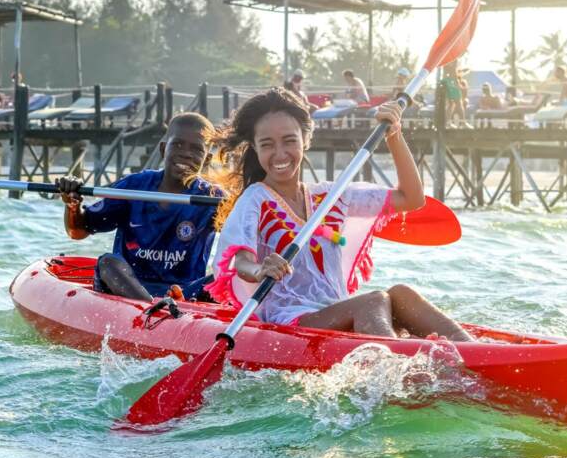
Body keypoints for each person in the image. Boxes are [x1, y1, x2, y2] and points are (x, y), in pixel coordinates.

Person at [206, 88, 473, 341]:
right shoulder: (255, 198)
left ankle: (473, 352)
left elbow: (411, 198)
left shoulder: (333, 197)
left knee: (402, 294)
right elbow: (240, 261)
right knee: (374, 300)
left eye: (289, 141)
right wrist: (260, 268)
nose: (280, 154)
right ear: (255, 147)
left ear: (306, 140)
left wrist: (394, 135)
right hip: (289, 321)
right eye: (267, 145)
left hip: (337, 308)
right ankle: (400, 366)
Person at [56, 112, 223, 302]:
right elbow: (77, 231)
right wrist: (72, 204)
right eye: (177, 144)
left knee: (228, 276)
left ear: (207, 160)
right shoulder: (134, 186)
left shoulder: (213, 198)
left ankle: (168, 309)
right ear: (163, 149)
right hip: (128, 286)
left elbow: (244, 238)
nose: (185, 153)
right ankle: (151, 308)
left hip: (184, 294)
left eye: (196, 149)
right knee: (108, 263)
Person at [441, 61, 470, 128]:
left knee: (451, 104)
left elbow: (449, 73)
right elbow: (453, 73)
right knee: (459, 103)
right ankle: (463, 122)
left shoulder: (446, 60)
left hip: (447, 81)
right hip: (452, 82)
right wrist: (457, 84)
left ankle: (447, 123)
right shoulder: (453, 59)